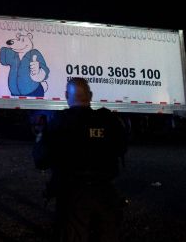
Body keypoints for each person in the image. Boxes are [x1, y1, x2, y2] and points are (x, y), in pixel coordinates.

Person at [33, 77, 128, 242]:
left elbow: (41, 159)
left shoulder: (59, 122)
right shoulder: (109, 120)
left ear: (66, 96)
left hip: (72, 195)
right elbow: (121, 147)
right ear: (90, 96)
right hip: (105, 193)